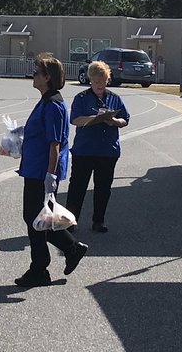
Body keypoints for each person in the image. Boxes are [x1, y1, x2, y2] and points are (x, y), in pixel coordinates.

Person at [11, 53, 88, 288]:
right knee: (38, 218)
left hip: (41, 171)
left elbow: (54, 143)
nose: (33, 76)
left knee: (35, 218)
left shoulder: (53, 104)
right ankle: (69, 250)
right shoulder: (46, 101)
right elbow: (38, 132)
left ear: (47, 77)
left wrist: (50, 175)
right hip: (34, 168)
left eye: (36, 72)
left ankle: (42, 267)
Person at [66, 60, 130, 234]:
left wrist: (114, 121)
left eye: (103, 81)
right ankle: (70, 221)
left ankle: (98, 221)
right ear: (90, 80)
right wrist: (94, 119)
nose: (99, 85)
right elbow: (75, 120)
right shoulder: (81, 98)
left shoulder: (115, 98)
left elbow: (125, 119)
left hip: (107, 151)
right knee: (77, 187)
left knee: (103, 188)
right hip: (84, 150)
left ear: (107, 80)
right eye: (96, 82)